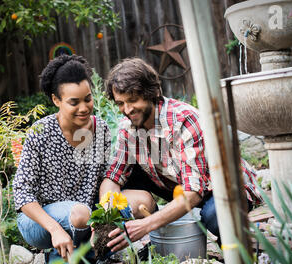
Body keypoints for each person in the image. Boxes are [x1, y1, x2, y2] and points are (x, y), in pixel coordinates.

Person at [100, 57, 263, 253]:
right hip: (178, 183)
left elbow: (193, 192)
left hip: (222, 185)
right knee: (119, 182)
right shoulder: (128, 128)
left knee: (215, 217)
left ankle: (241, 240)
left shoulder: (184, 120)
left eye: (133, 100)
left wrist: (147, 225)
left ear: (152, 93)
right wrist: (107, 213)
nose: (127, 110)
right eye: (120, 103)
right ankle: (166, 231)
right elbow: (114, 176)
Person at [13, 54, 111, 264]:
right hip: (40, 222)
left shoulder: (101, 129)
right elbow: (22, 193)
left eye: (88, 99)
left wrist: (107, 212)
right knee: (79, 213)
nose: (84, 108)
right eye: (74, 102)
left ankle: (84, 258)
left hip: (83, 219)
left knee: (130, 202)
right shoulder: (40, 132)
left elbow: (107, 177)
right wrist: (56, 229)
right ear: (56, 100)